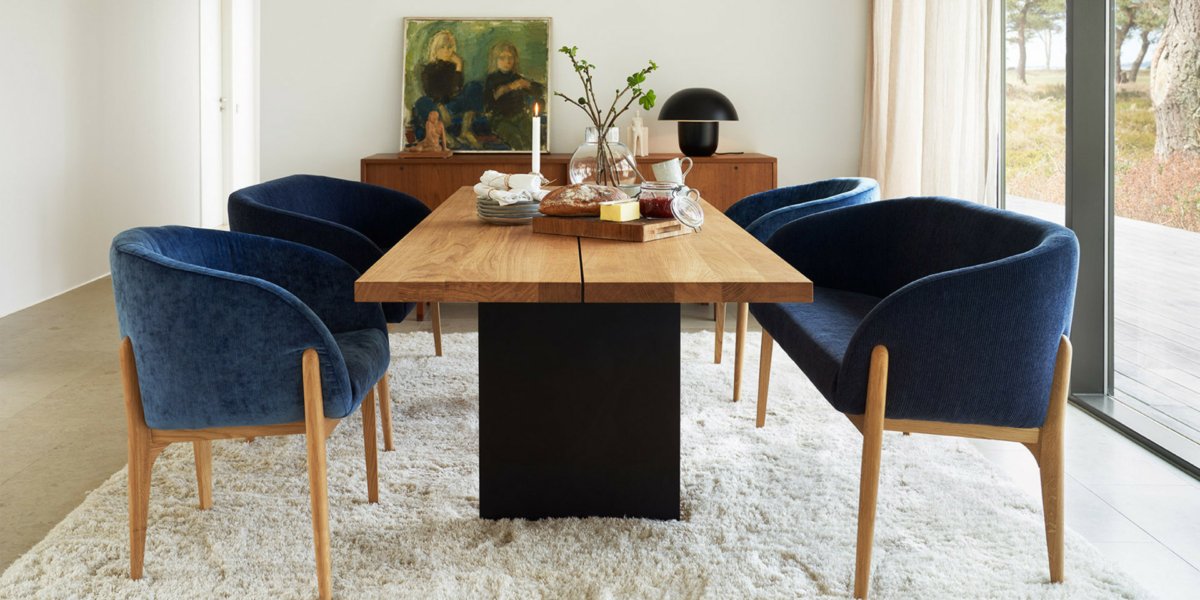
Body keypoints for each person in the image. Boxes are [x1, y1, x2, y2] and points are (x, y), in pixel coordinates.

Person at [483, 41, 544, 150]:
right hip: (500, 120)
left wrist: (528, 84)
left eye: (510, 58)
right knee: (516, 139)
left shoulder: (516, 77)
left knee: (535, 137)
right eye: (502, 58)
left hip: (520, 117)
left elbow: (540, 90)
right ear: (495, 60)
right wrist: (509, 87)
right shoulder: (492, 79)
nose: (507, 61)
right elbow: (490, 100)